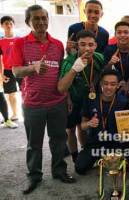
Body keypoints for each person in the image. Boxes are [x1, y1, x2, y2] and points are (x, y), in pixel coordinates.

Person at [11, 5, 76, 194]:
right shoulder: (20, 43)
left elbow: (62, 72)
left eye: (43, 18)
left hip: (57, 102)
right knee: (34, 143)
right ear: (28, 22)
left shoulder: (57, 45)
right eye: (36, 19)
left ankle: (59, 171)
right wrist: (32, 68)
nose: (41, 22)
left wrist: (68, 96)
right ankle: (34, 176)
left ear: (48, 19)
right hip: (32, 104)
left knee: (58, 139)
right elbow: (15, 71)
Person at [75, 69, 129, 175]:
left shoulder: (123, 102)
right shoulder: (91, 100)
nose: (109, 87)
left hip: (115, 143)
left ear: (118, 85)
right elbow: (82, 126)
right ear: (101, 84)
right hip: (95, 142)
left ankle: (106, 159)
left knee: (125, 167)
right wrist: (89, 123)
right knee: (80, 168)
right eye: (105, 84)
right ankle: (100, 158)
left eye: (113, 84)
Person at [58, 30, 104, 163]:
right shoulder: (69, 61)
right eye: (83, 44)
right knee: (71, 129)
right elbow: (61, 87)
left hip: (90, 99)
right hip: (73, 99)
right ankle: (74, 156)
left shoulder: (99, 57)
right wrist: (74, 70)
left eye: (91, 44)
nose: (87, 48)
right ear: (77, 45)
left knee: (83, 126)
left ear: (95, 45)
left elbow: (103, 73)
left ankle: (84, 152)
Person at [0, 16, 20, 121]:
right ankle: (15, 114)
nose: (8, 25)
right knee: (11, 94)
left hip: (20, 69)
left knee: (26, 92)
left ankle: (29, 113)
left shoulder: (19, 40)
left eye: (10, 23)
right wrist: (1, 74)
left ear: (13, 24)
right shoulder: (1, 42)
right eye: (6, 23)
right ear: (2, 25)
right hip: (7, 70)